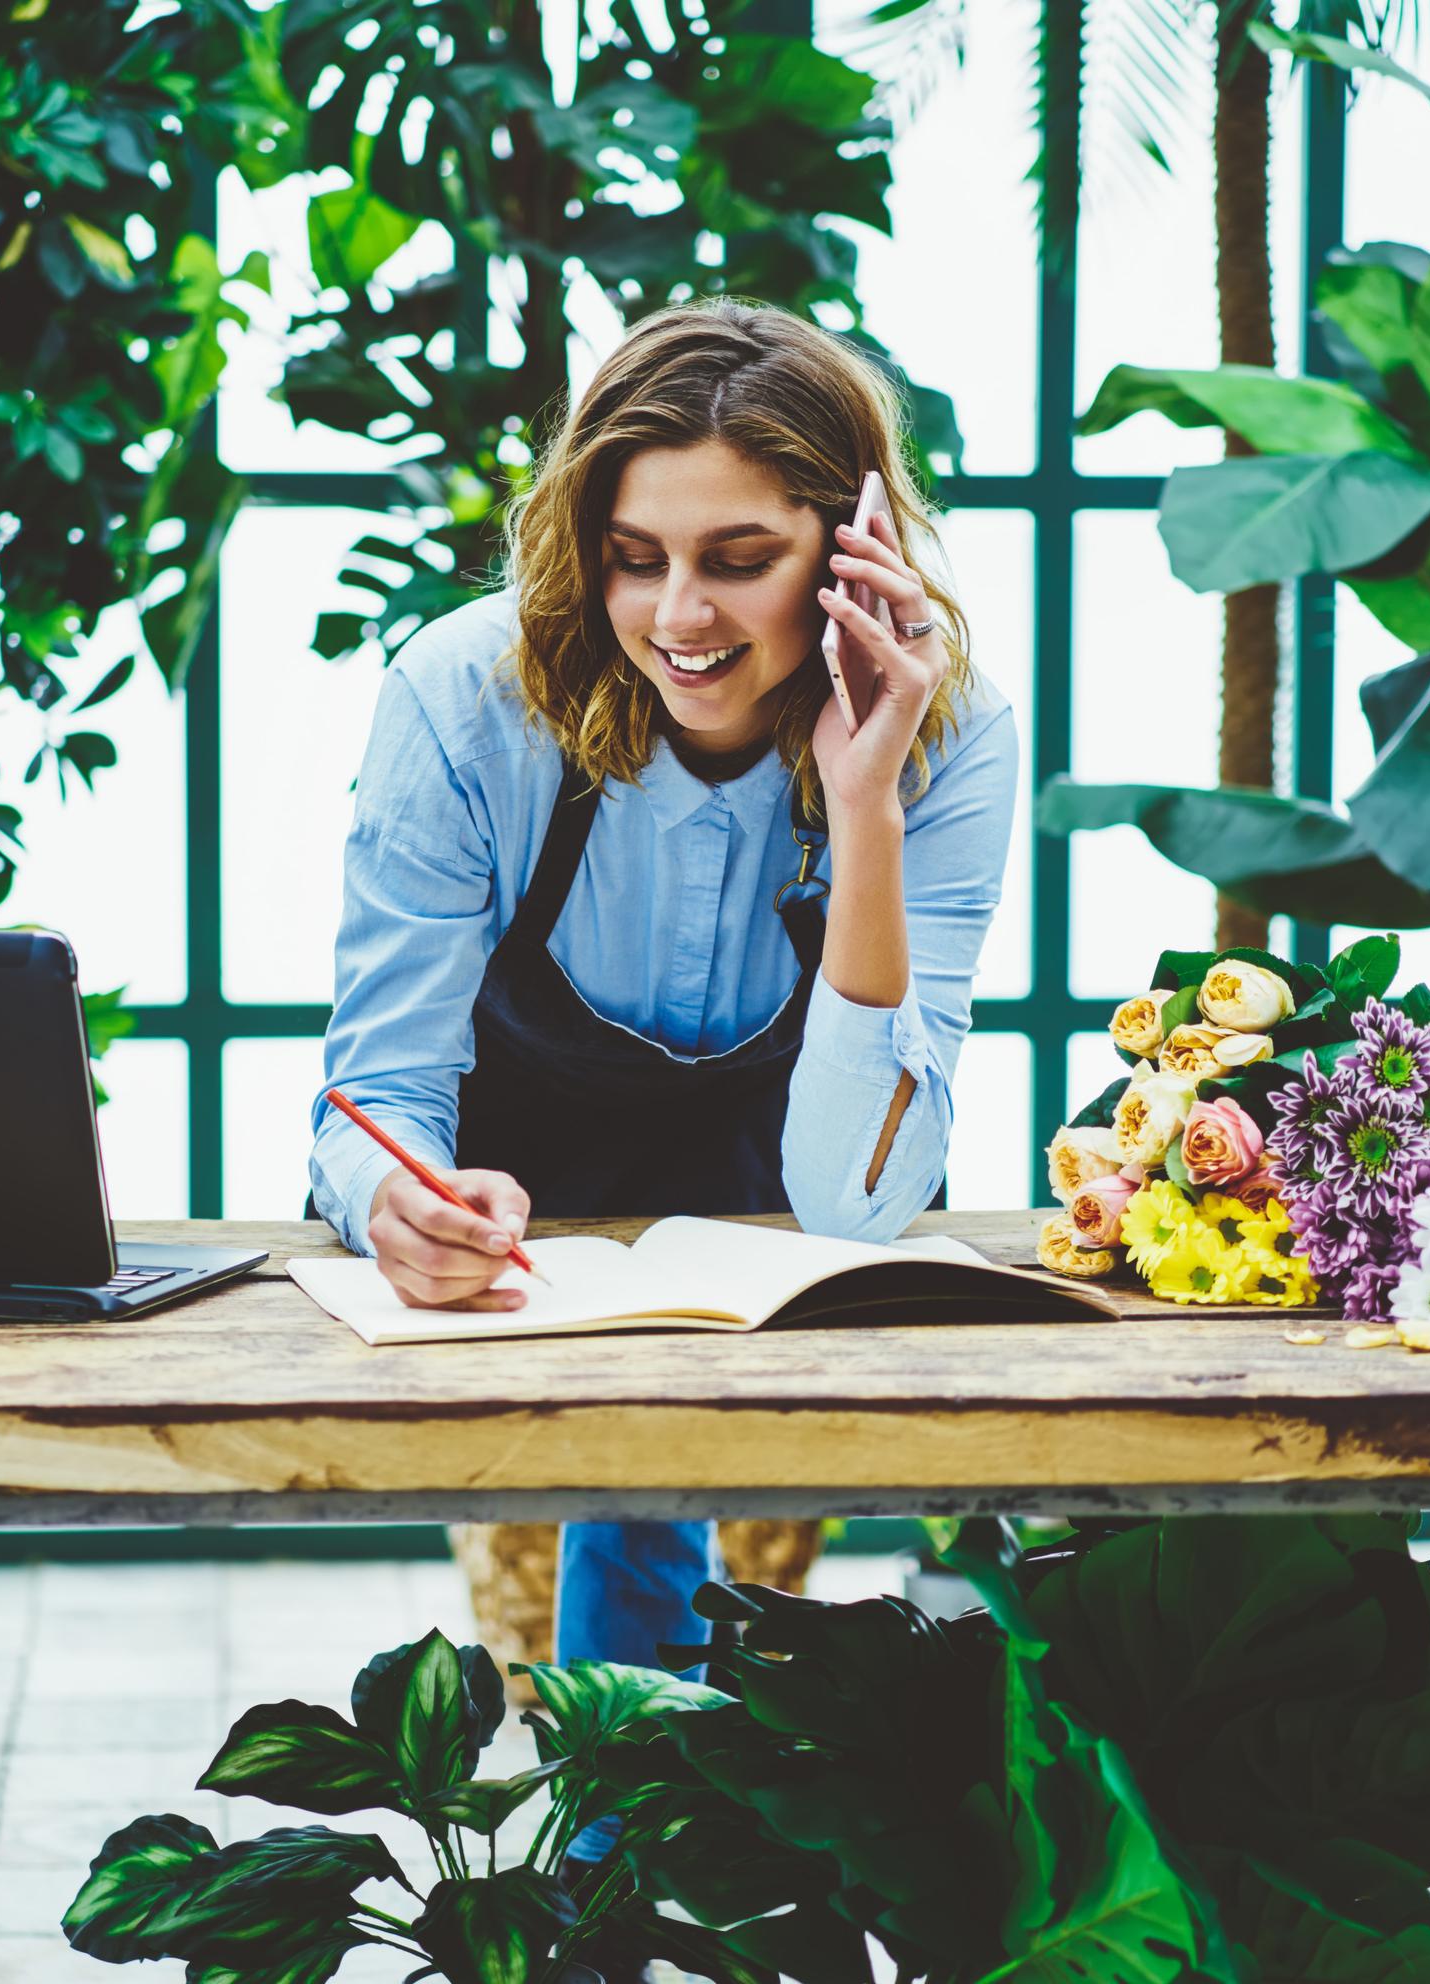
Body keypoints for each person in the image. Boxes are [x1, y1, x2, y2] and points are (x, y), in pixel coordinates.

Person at [309, 295, 1016, 1970]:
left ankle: (644, 1909)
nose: (676, 617)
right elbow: (368, 1087)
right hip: (519, 1210)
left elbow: (857, 1197)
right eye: (633, 556)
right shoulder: (462, 699)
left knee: (701, 1598)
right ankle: (614, 1918)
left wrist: (860, 799)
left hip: (765, 1218)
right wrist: (394, 1198)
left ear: (850, 548)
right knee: (627, 1553)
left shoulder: (951, 731)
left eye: (738, 557)